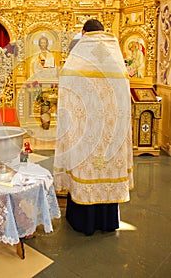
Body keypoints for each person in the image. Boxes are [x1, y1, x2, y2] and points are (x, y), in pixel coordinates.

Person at [53, 19, 134, 235]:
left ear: (83, 32)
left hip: (85, 131)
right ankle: (108, 222)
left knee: (85, 170)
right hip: (110, 133)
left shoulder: (79, 58)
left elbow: (67, 96)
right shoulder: (114, 57)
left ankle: (84, 222)